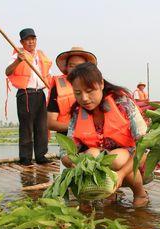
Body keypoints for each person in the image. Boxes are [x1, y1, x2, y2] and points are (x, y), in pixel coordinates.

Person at [62, 62, 149, 207]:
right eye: (78, 93)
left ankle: (140, 193)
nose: (84, 98)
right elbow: (65, 153)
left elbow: (144, 148)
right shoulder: (77, 113)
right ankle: (106, 192)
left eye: (89, 91)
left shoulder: (124, 104)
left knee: (115, 159)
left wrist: (120, 174)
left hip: (132, 162)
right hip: (98, 159)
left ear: (101, 84)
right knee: (91, 155)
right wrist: (75, 164)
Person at [5, 28, 52, 166]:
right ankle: (25, 158)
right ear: (22, 42)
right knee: (26, 128)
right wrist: (18, 61)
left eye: (33, 39)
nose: (31, 42)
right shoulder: (18, 55)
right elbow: (7, 71)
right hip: (26, 94)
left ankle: (41, 156)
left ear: (36, 40)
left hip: (40, 94)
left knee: (42, 127)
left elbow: (49, 74)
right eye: (27, 39)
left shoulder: (41, 55)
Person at [47, 47, 97, 135]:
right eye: (71, 66)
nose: (75, 70)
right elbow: (50, 123)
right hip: (68, 137)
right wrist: (74, 127)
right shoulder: (57, 89)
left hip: (94, 136)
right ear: (66, 68)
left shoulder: (96, 86)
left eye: (79, 66)